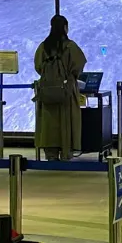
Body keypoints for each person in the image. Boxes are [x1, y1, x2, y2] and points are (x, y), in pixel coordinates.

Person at [33, 15, 86, 161]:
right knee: (67, 121)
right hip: (66, 91)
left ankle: (50, 154)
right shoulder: (70, 47)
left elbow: (38, 66)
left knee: (48, 123)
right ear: (65, 28)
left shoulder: (43, 46)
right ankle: (66, 152)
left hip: (47, 91)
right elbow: (78, 66)